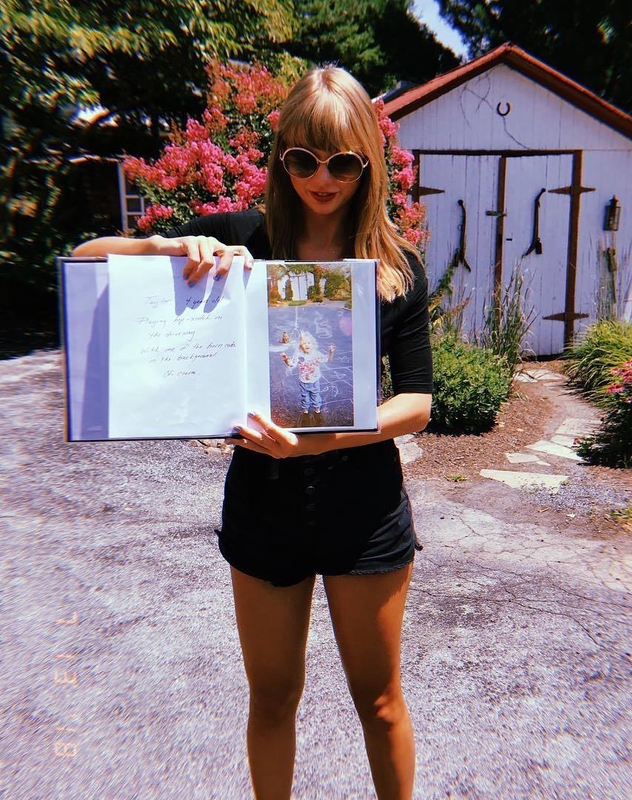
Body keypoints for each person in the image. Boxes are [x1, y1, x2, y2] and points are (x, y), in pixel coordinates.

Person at [73, 66, 432, 800]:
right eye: (302, 159)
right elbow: (84, 264)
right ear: (281, 160)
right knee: (271, 700)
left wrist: (318, 443)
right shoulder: (241, 240)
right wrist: (169, 250)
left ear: (368, 162)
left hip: (365, 510)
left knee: (382, 700)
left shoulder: (395, 269)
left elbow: (419, 403)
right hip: (263, 508)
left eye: (341, 162)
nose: (321, 178)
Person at [280, 331, 335, 426]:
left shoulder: (316, 354)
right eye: (304, 343)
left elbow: (328, 359)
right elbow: (291, 364)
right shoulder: (299, 354)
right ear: (301, 346)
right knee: (305, 397)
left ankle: (317, 410)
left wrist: (331, 352)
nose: (307, 345)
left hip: (314, 380)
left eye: (309, 343)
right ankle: (305, 412)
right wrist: (285, 359)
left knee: (315, 396)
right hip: (303, 381)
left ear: (313, 344)